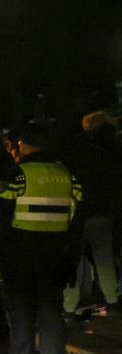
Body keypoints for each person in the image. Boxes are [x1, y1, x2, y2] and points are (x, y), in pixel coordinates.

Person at [0, 123, 83, 354]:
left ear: (23, 145)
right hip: (54, 260)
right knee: (52, 321)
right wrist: (71, 260)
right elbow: (77, 224)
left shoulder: (18, 175)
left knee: (21, 323)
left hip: (20, 260)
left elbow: (0, 221)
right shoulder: (68, 177)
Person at [59, 112, 120, 316]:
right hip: (100, 213)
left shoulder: (66, 159)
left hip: (75, 215)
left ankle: (69, 304)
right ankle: (112, 299)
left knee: (74, 261)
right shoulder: (101, 154)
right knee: (104, 260)